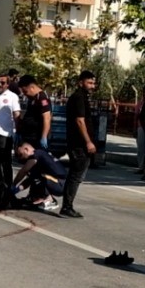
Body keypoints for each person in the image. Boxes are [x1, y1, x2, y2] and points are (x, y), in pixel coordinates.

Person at [59, 70, 98, 218]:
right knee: (75, 176)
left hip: (78, 144)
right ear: (80, 82)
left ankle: (67, 205)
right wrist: (88, 142)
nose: (92, 86)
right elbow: (80, 121)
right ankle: (67, 207)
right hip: (78, 144)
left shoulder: (82, 97)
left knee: (76, 175)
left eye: (93, 83)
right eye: (89, 82)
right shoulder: (79, 98)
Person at [10, 140, 68, 213]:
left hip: (61, 184)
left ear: (26, 149)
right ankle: (34, 198)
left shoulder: (37, 154)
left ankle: (50, 201)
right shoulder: (39, 158)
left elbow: (23, 171)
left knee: (40, 176)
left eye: (20, 155)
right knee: (34, 176)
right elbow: (29, 180)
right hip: (56, 182)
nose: (20, 158)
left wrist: (14, 184)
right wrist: (16, 189)